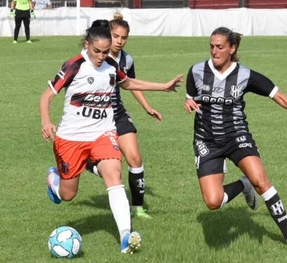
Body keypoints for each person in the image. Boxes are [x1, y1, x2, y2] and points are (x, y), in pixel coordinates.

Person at [184, 26, 287, 249]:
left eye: (220, 47)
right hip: (207, 142)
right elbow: (190, 98)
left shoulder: (245, 75)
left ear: (232, 49)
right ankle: (244, 186)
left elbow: (278, 95)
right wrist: (187, 102)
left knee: (262, 181)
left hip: (236, 136)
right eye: (212, 46)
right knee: (213, 202)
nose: (214, 51)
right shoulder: (196, 71)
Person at [40, 26, 183, 253]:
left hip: (102, 133)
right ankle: (53, 181)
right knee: (68, 194)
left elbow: (128, 83)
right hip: (71, 138)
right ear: (87, 44)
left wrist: (163, 87)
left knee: (114, 173)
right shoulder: (73, 65)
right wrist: (46, 122)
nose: (101, 56)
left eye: (105, 52)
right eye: (97, 51)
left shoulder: (111, 66)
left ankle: (125, 236)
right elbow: (47, 95)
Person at [86, 14, 159, 219]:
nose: (119, 41)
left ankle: (138, 207)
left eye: (123, 37)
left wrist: (147, 107)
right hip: (96, 116)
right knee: (110, 166)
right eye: (115, 36)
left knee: (135, 158)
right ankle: (86, 163)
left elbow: (131, 84)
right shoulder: (96, 56)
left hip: (117, 114)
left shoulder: (127, 59)